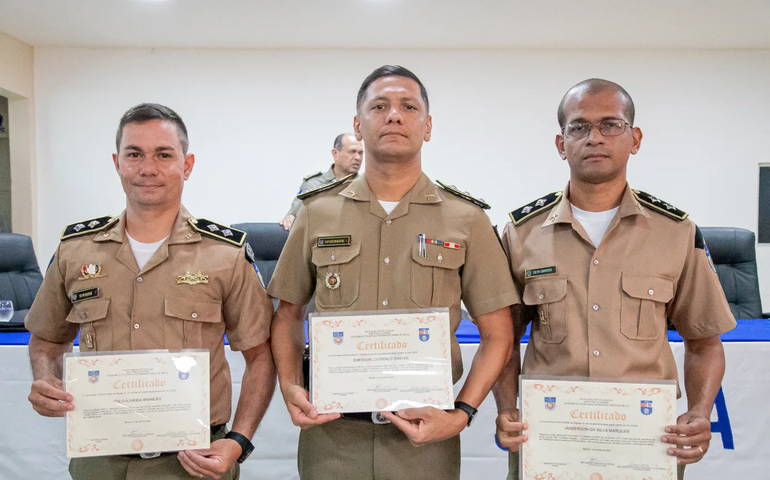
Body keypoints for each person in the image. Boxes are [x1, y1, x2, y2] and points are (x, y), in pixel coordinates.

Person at [267, 65, 519, 480]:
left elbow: (498, 333)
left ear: (428, 125)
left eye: (408, 106)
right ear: (358, 124)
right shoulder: (316, 211)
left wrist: (463, 412)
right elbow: (288, 314)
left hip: (425, 441)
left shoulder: (466, 218)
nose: (394, 116)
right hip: (332, 437)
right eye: (379, 106)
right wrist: (290, 385)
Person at [494, 79, 737, 480]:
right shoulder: (521, 234)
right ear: (561, 144)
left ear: (634, 138)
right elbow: (501, 341)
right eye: (578, 127)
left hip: (644, 446)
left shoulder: (675, 232)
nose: (594, 137)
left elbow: (705, 341)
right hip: (550, 444)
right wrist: (506, 409)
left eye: (611, 124)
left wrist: (699, 412)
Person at [25, 103, 276, 480]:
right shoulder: (76, 250)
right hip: (99, 460)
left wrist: (238, 440)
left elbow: (261, 356)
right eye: (134, 154)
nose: (148, 168)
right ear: (117, 162)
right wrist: (45, 378)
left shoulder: (224, 254)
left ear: (187, 164)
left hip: (192, 461)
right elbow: (46, 341)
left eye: (163, 154)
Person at [279, 133, 363, 230]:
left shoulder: (365, 186)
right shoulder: (313, 184)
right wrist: (290, 218)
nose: (358, 157)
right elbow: (292, 216)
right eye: (352, 152)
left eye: (361, 153)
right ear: (335, 154)